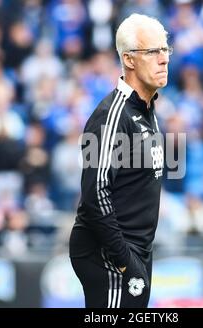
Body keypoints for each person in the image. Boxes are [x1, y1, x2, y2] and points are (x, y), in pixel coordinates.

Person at [69, 13, 172, 308]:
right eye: (153, 51)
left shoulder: (146, 109)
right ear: (129, 60)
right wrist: (124, 259)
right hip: (111, 255)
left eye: (165, 49)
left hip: (134, 251)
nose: (163, 58)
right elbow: (94, 192)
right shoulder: (111, 115)